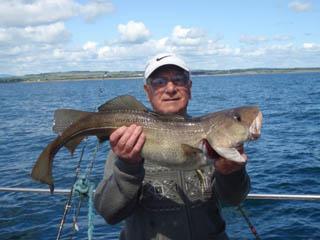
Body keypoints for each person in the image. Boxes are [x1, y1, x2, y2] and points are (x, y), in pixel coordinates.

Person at [94, 53, 250, 240]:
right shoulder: (128, 143)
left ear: (190, 88)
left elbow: (233, 199)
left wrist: (230, 173)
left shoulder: (214, 134)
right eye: (159, 82)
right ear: (147, 91)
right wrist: (128, 167)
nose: (170, 88)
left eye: (179, 80)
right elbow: (110, 213)